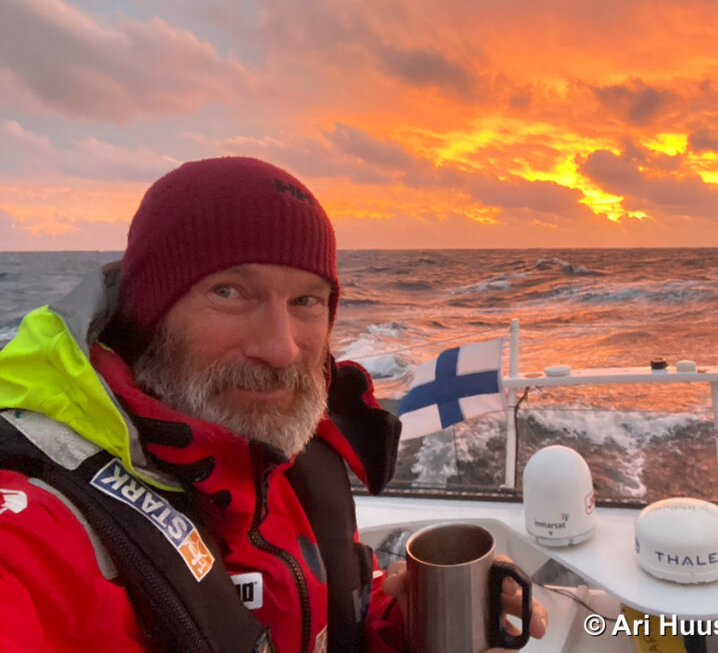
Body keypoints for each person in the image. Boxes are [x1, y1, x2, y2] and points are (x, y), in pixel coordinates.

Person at [0, 157, 546, 652]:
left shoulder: (281, 448)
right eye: (231, 292)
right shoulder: (35, 525)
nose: (281, 349)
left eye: (306, 300)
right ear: (150, 314)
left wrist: (401, 625)